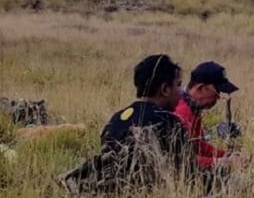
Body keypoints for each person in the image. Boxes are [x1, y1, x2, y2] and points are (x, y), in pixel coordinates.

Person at [61, 54, 194, 193]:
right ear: (165, 89)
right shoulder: (169, 122)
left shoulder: (116, 119)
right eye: (178, 85)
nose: (181, 92)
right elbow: (188, 176)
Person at [174, 61, 250, 192]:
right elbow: (180, 161)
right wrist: (223, 162)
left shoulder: (193, 109)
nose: (217, 99)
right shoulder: (180, 112)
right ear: (201, 88)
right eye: (217, 92)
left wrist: (228, 155)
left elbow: (199, 146)